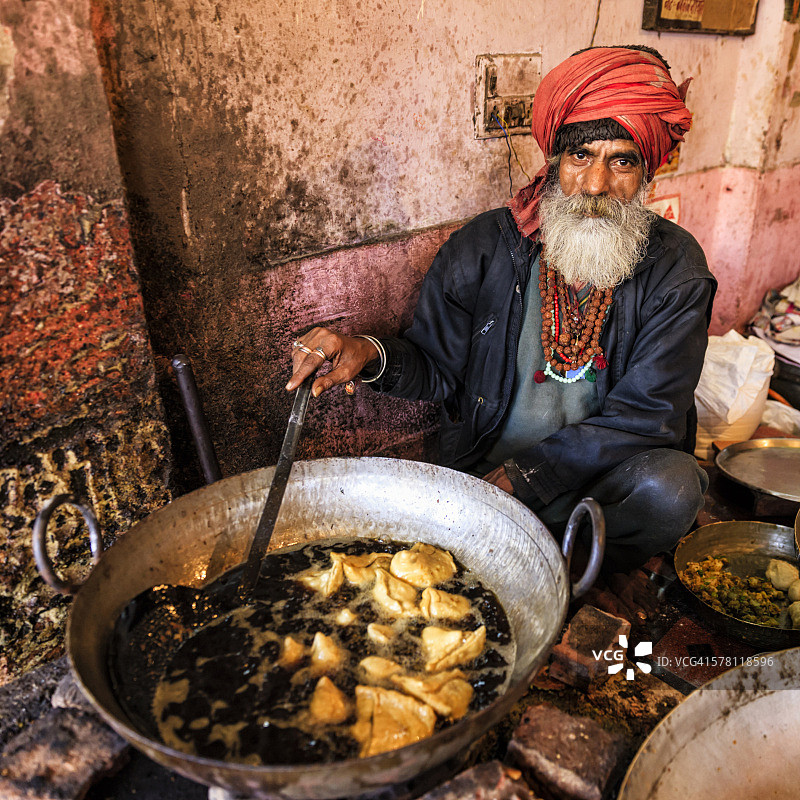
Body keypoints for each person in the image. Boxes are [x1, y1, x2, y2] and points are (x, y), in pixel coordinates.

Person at [287, 45, 716, 582]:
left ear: (647, 168)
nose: (596, 185)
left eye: (622, 160)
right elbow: (435, 365)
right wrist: (365, 353)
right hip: (483, 469)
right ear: (555, 161)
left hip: (595, 485)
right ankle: (536, 564)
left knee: (672, 489)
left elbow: (647, 417)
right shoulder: (487, 245)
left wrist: (524, 478)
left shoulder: (675, 267)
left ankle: (569, 576)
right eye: (581, 156)